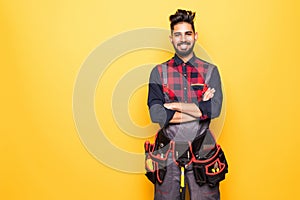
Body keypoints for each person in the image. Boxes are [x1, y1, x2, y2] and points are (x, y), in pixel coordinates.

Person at [147, 9, 224, 200]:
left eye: (188, 33)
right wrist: (199, 108)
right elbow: (157, 115)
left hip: (203, 150)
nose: (183, 39)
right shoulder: (158, 72)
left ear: (195, 36)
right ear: (171, 38)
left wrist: (173, 106)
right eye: (178, 34)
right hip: (167, 152)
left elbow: (214, 109)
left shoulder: (210, 72)